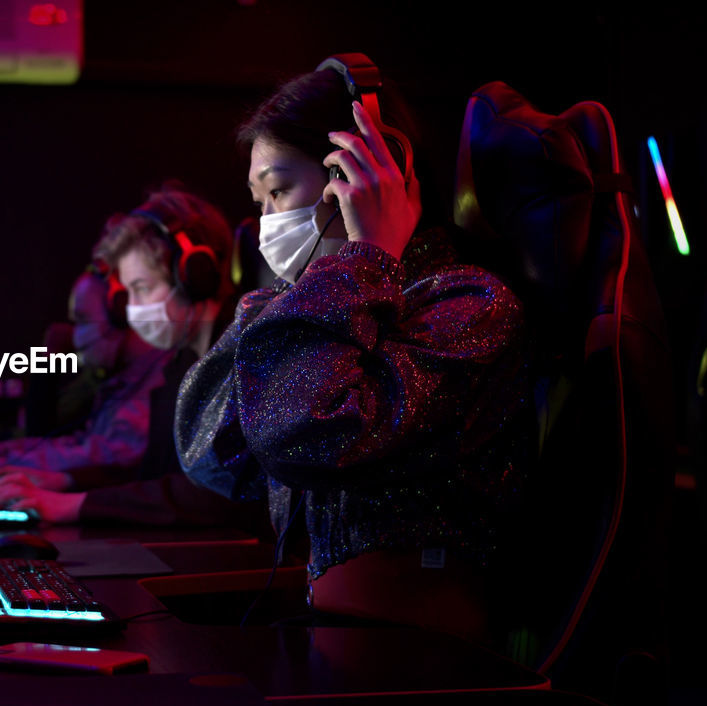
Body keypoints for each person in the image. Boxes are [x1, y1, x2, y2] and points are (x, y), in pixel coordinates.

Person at [174, 56, 534, 643]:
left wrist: (362, 259)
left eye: (279, 190)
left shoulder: (469, 308)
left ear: (364, 175)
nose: (266, 220)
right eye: (259, 199)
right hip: (339, 639)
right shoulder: (319, 309)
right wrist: (310, 291)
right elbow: (212, 453)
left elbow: (302, 434)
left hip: (427, 662)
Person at [0, 185, 269, 534]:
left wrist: (76, 505)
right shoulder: (181, 366)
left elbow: (217, 495)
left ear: (195, 274)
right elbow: (151, 475)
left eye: (143, 288)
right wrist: (66, 481)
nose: (133, 311)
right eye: (127, 294)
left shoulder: (244, 360)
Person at [0, 264, 171, 474]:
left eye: (83, 321)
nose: (76, 337)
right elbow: (75, 444)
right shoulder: (123, 381)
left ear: (122, 312)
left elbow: (96, 457)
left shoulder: (159, 383)